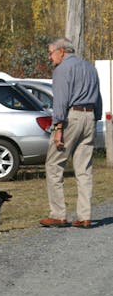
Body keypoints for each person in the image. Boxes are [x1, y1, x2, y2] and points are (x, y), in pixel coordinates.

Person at [40, 38, 102, 228]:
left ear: (62, 51)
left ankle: (58, 214)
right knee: (84, 169)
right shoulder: (90, 67)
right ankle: (85, 216)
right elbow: (98, 96)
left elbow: (60, 100)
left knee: (54, 165)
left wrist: (58, 127)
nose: (50, 57)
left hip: (71, 118)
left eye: (51, 53)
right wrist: (95, 117)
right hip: (89, 117)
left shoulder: (62, 69)